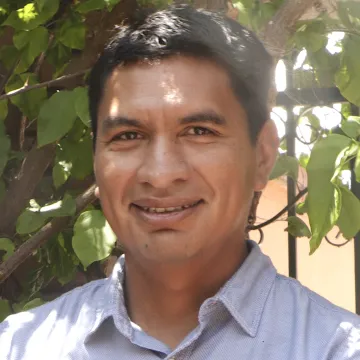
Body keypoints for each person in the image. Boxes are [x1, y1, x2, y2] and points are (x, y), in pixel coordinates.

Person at [1, 5, 360, 360]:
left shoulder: (336, 348)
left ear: (263, 155)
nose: (160, 175)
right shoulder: (21, 346)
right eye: (128, 135)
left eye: (199, 131)